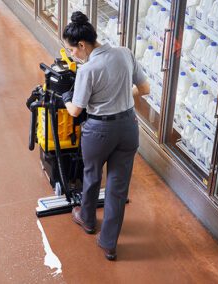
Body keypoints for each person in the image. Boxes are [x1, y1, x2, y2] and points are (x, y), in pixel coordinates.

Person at [61, 11, 150, 261]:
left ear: (82, 45)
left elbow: (76, 110)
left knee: (91, 175)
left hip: (99, 131)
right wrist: (120, 96)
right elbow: (144, 89)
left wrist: (66, 99)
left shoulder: (88, 69)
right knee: (118, 187)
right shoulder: (124, 53)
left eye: (72, 50)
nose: (72, 55)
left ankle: (87, 219)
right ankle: (109, 243)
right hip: (128, 128)